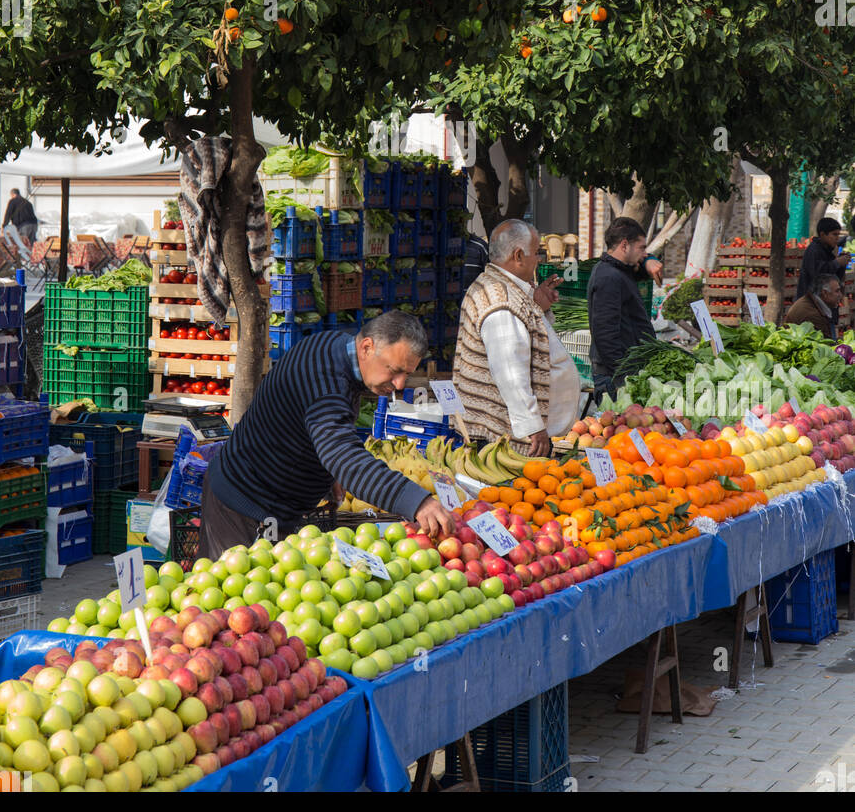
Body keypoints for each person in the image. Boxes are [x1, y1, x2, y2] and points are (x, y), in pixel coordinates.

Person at [198, 311, 454, 560]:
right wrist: (417, 502)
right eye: (394, 370)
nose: (399, 384)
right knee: (231, 597)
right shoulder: (327, 384)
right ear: (366, 347)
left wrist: (325, 466)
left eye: (406, 374)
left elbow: (307, 422)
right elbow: (347, 461)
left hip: (271, 503)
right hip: (243, 503)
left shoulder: (337, 348)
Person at [453, 218, 581, 458]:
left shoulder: (506, 289)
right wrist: (533, 428)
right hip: (506, 440)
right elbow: (510, 373)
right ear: (519, 255)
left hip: (510, 434)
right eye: (536, 253)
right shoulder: (500, 300)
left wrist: (538, 306)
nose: (538, 259)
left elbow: (529, 340)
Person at [587, 217, 664, 404]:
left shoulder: (620, 270)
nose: (643, 252)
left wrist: (650, 260)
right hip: (615, 377)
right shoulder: (608, 277)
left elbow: (644, 265)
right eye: (641, 248)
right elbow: (605, 333)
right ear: (624, 245)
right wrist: (625, 375)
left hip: (624, 371)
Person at [796, 217, 849, 300]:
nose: (837, 238)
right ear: (822, 235)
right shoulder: (814, 250)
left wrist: (842, 264)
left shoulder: (828, 250)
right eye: (834, 234)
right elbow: (818, 275)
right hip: (811, 303)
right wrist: (837, 263)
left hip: (825, 302)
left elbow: (835, 278)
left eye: (838, 234)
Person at [785, 270, 842, 341]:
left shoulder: (811, 302)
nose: (840, 295)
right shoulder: (812, 315)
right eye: (837, 291)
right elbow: (826, 346)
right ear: (825, 293)